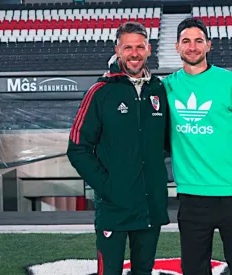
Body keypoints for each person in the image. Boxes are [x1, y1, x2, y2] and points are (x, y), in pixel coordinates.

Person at [161, 17, 232, 275]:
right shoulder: (166, 87)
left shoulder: (231, 82)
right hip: (191, 196)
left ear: (209, 45)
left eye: (198, 41)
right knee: (194, 269)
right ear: (177, 47)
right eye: (186, 41)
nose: (192, 47)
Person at [67, 22, 170, 275]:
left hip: (150, 206)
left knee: (143, 271)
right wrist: (108, 186)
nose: (134, 53)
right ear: (117, 50)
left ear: (148, 50)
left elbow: (169, 143)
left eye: (139, 47)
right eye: (128, 48)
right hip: (114, 207)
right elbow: (77, 149)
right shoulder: (100, 92)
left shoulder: (159, 90)